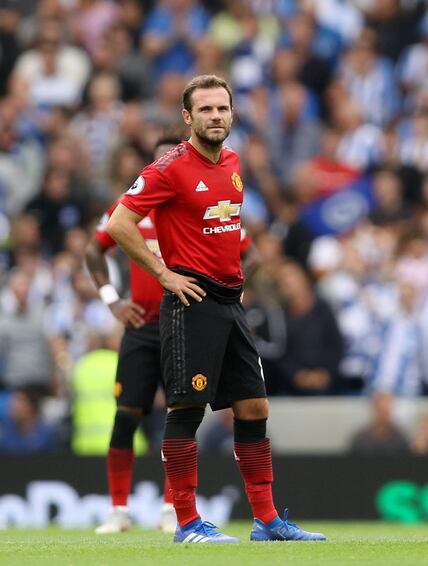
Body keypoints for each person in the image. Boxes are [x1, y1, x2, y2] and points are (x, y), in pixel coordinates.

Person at [106, 75, 324, 543]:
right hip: (191, 302)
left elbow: (224, 230)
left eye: (222, 109)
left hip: (231, 303)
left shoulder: (233, 162)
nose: (216, 117)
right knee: (185, 409)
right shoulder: (169, 167)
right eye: (205, 110)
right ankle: (186, 523)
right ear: (187, 117)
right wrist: (164, 274)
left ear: (232, 113)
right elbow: (121, 222)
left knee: (253, 405)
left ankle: (266, 521)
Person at [86, 134, 259, 535]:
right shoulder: (133, 208)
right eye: (159, 159)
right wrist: (113, 300)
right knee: (127, 415)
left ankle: (171, 509)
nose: (167, 164)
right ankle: (118, 510)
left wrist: (234, 291)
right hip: (143, 325)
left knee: (182, 410)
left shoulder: (201, 203)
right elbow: (94, 250)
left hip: (190, 318)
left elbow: (249, 250)